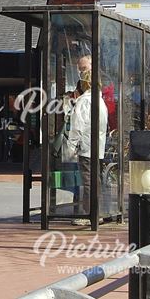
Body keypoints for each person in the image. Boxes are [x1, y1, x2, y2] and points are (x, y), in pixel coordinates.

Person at [66, 69, 108, 226]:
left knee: (88, 181)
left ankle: (90, 215)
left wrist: (70, 147)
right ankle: (97, 212)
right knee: (95, 180)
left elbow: (77, 126)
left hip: (86, 146)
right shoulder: (100, 101)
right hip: (98, 147)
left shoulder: (84, 101)